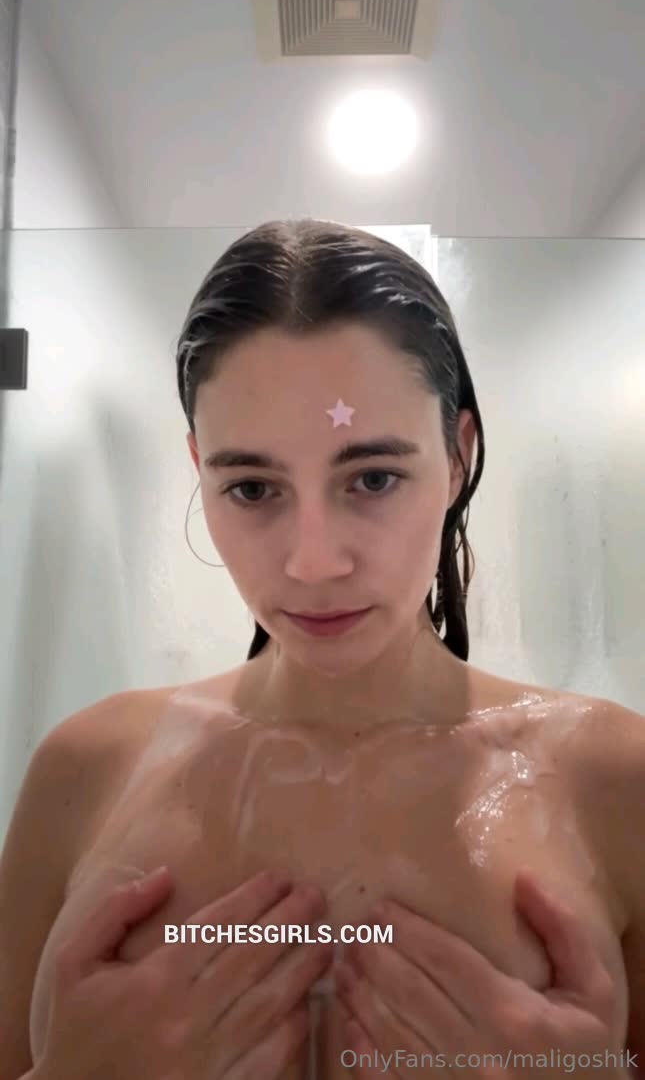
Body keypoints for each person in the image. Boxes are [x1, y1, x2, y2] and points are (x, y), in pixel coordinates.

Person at [1, 218, 643, 1080]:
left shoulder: (613, 780)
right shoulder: (84, 768)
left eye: (372, 477)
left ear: (456, 456)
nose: (312, 562)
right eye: (251, 487)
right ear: (199, 468)